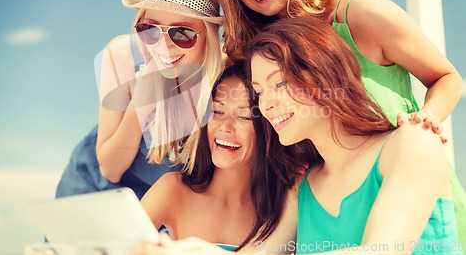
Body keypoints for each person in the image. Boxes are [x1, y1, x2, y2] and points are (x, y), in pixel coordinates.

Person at [211, 0, 465, 243]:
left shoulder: (359, 12)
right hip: (332, 211)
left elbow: (447, 77)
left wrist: (426, 120)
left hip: (408, 195)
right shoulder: (261, 53)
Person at [132, 17, 461, 255]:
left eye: (280, 84)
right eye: (260, 91)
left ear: (325, 74)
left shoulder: (412, 143)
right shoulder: (303, 189)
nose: (268, 104)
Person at [55, 0, 224, 199]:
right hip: (94, 190)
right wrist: (140, 104)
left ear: (210, 34)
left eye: (183, 33)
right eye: (150, 29)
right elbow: (110, 170)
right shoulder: (122, 55)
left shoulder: (225, 75)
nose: (164, 46)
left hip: (168, 206)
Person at [140, 63, 302, 253]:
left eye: (244, 116)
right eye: (217, 112)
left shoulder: (285, 200)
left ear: (268, 127)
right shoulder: (173, 189)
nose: (226, 127)